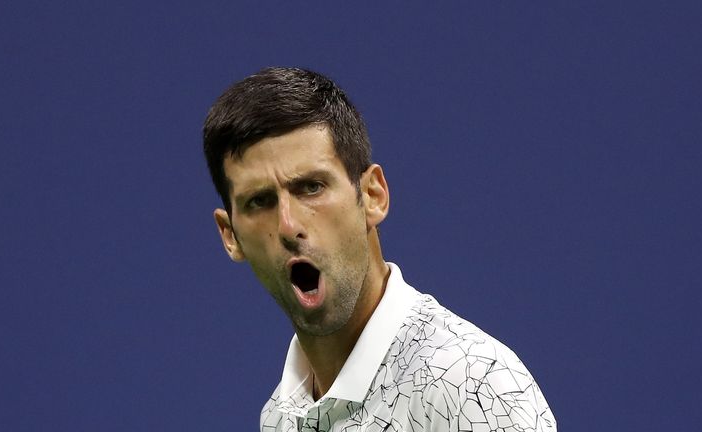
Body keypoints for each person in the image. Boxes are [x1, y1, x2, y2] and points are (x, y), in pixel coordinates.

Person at [202, 67, 556, 432]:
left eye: (311, 187)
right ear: (231, 235)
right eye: (259, 201)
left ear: (372, 195)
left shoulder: (473, 385)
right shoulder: (279, 416)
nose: (289, 226)